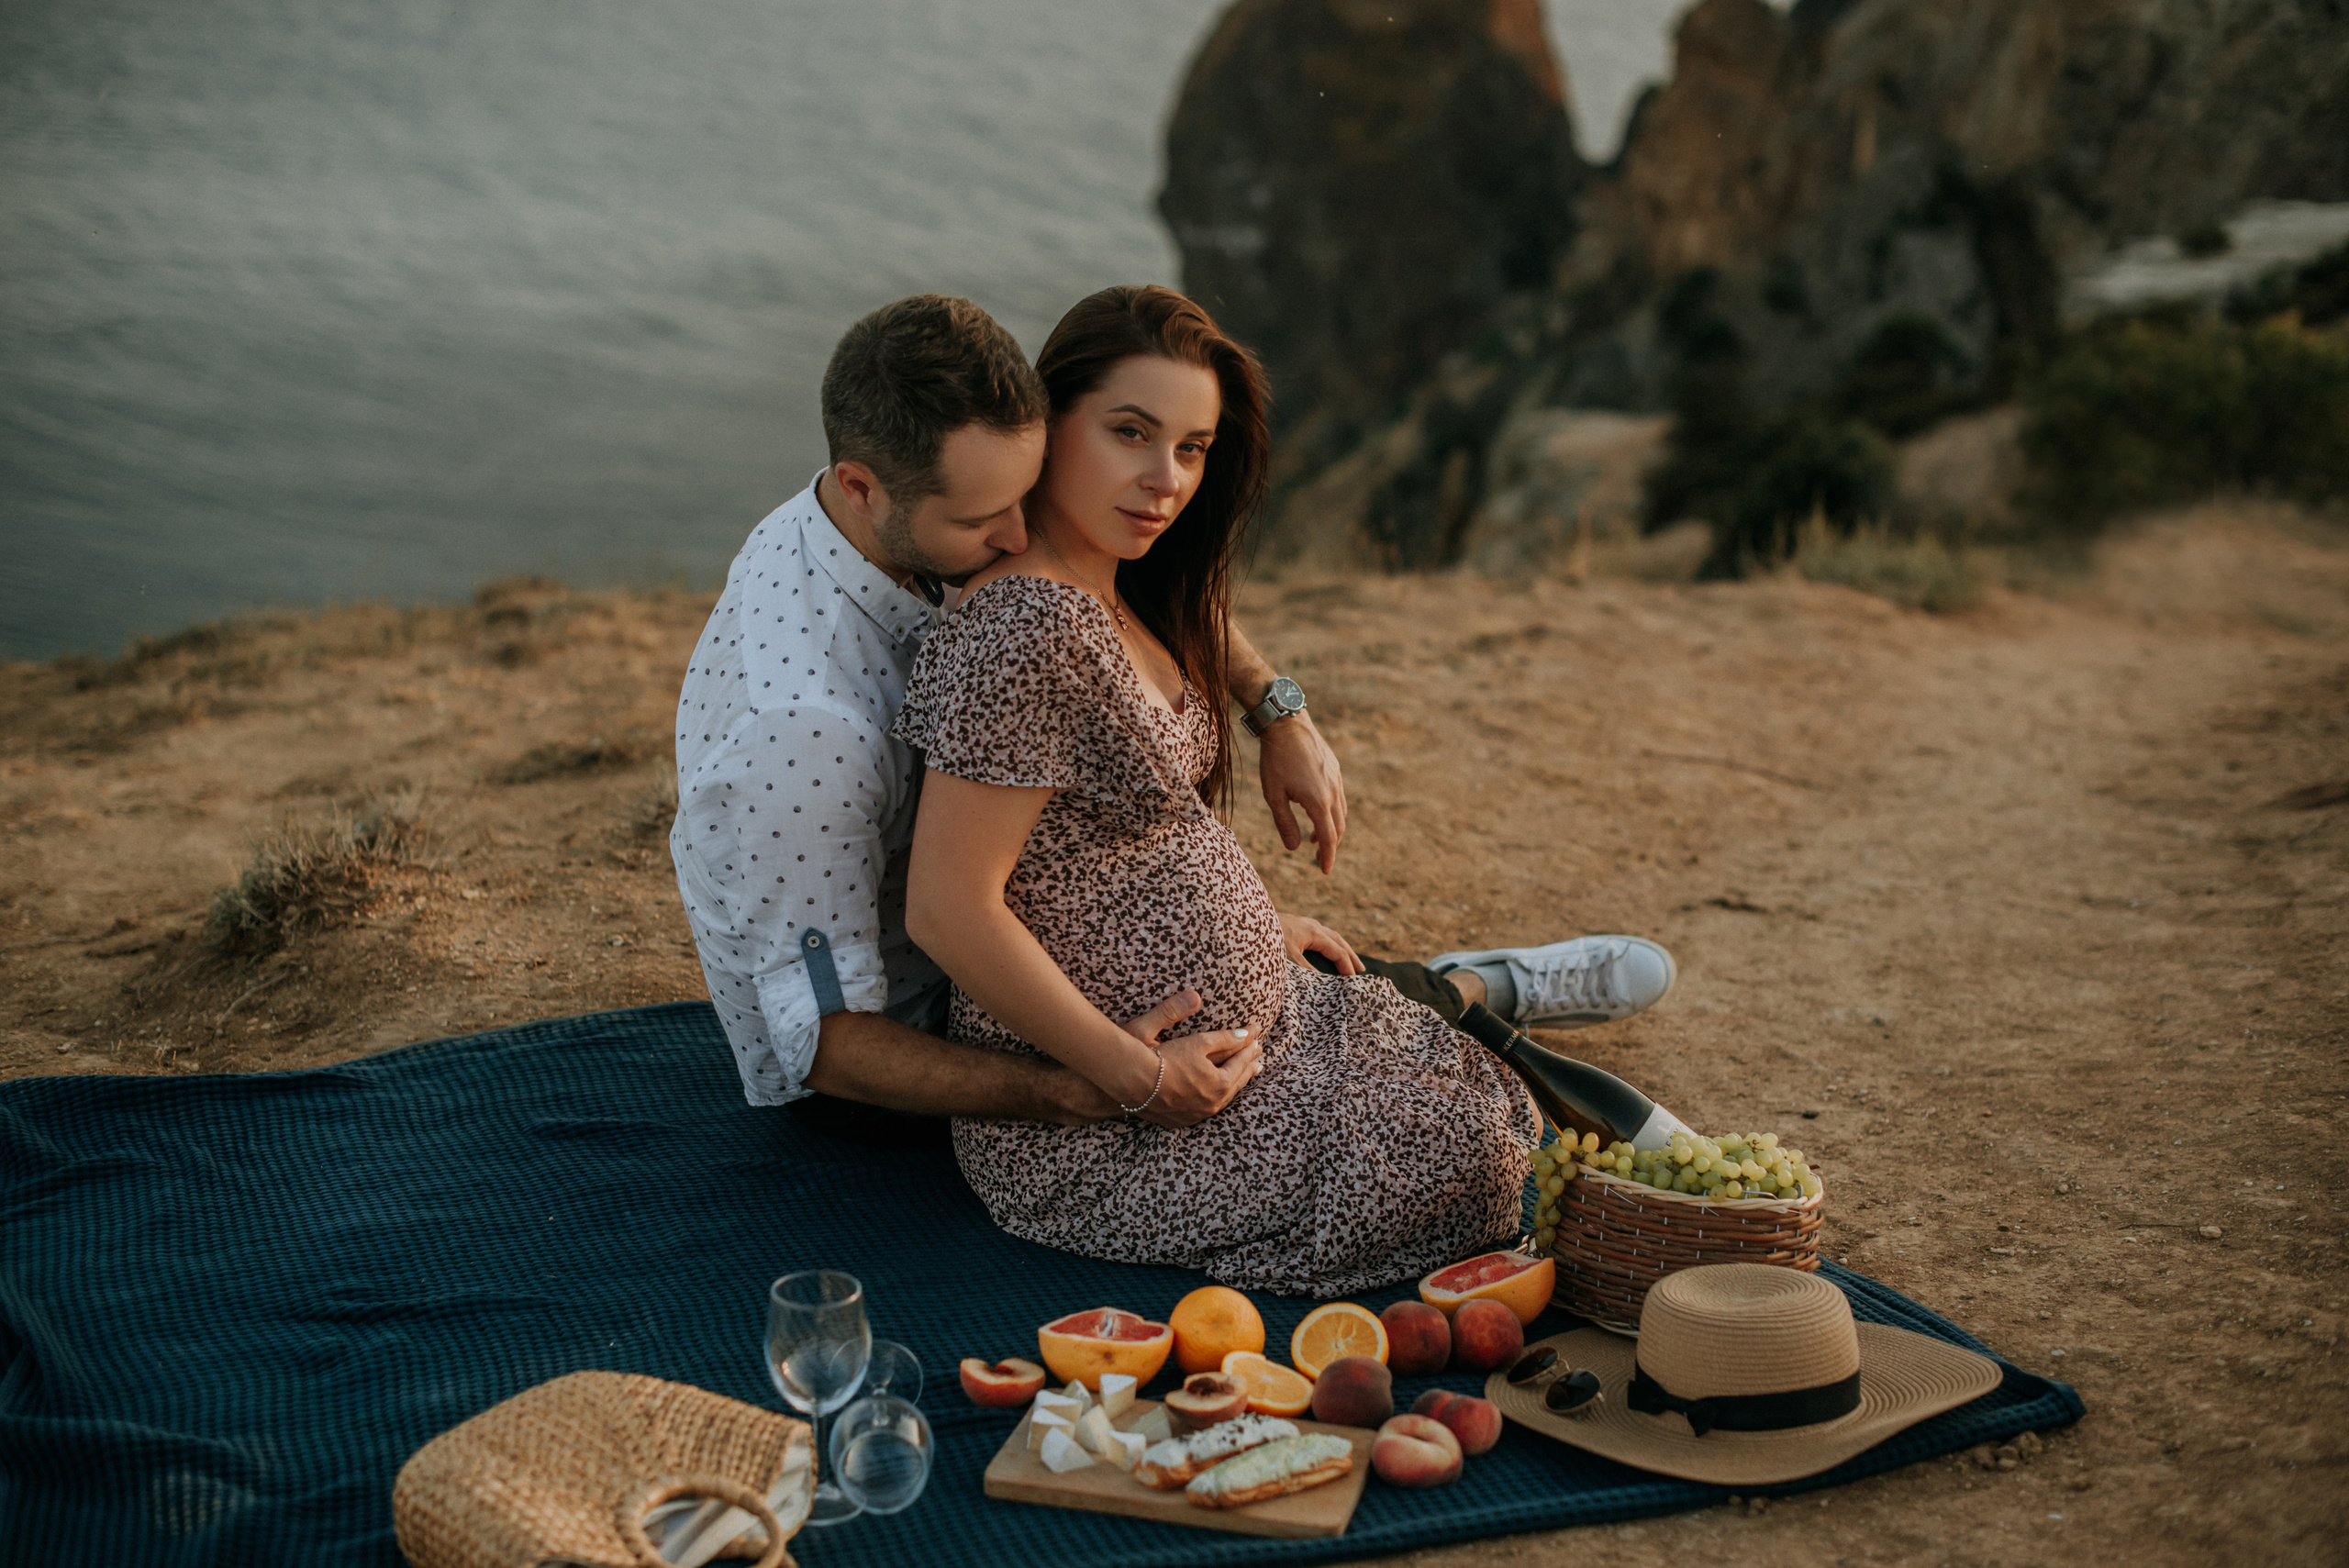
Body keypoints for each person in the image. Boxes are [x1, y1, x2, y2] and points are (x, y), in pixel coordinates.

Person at [671, 293, 1674, 1151]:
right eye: (986, 525)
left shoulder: (901, 508)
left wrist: (1271, 704)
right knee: (1375, 1110)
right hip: (927, 1054)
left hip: (1054, 944)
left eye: (1024, 498)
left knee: (1312, 993)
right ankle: (1464, 992)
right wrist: (1082, 1087)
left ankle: (1455, 989)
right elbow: (823, 1045)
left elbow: (1101, 576)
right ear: (860, 485)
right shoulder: (804, 730)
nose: (1018, 540)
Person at [887, 285, 1667, 1293]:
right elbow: (949, 909)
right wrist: (1140, 1080)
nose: (1162, 478)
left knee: (1463, 1101)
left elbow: (1109, 840)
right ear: (1050, 424)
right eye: (1130, 432)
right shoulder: (1026, 629)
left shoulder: (1106, 578)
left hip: (1231, 1036)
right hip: (1109, 1116)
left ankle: (1480, 986)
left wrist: (1274, 742)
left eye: (1192, 448)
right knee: (1467, 1152)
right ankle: (1485, 988)